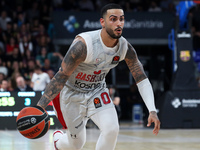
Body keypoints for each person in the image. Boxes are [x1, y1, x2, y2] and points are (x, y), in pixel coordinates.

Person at [36, 3, 160, 150]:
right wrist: (39, 107)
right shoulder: (83, 45)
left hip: (97, 91)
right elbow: (60, 77)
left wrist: (152, 110)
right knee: (76, 144)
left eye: (121, 19)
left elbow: (141, 78)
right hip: (71, 93)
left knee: (112, 129)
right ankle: (57, 139)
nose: (119, 23)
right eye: (113, 19)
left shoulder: (125, 48)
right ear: (103, 22)